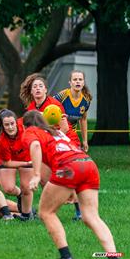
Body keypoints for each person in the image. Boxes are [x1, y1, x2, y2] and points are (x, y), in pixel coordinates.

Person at [22, 110, 123, 259]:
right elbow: (64, 156)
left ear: (25, 125)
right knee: (91, 216)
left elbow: (35, 146)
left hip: (68, 166)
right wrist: (70, 189)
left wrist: (35, 174)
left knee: (46, 212)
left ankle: (66, 257)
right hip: (88, 164)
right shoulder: (56, 132)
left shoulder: (31, 132)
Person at [20, 73, 82, 220]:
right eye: (34, 87)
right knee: (43, 177)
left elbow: (65, 129)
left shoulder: (53, 105)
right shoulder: (31, 108)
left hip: (66, 142)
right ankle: (47, 209)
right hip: (49, 143)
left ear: (46, 90)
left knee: (66, 176)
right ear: (31, 91)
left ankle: (79, 210)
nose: (37, 89)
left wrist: (47, 139)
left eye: (40, 86)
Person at [0, 109, 35, 220]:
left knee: (27, 187)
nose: (10, 127)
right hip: (12, 161)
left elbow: (37, 115)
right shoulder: (2, 141)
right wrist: (25, 164)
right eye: (6, 125)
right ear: (2, 126)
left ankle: (27, 214)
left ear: (16, 122)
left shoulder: (23, 124)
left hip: (27, 157)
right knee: (8, 188)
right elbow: (7, 162)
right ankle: (20, 195)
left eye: (12, 123)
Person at [53, 70, 92, 152]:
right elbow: (49, 111)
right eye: (75, 79)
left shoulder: (86, 100)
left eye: (80, 79)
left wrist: (85, 141)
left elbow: (83, 119)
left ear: (83, 83)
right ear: (70, 83)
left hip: (71, 135)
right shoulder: (61, 96)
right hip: (57, 133)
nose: (78, 81)